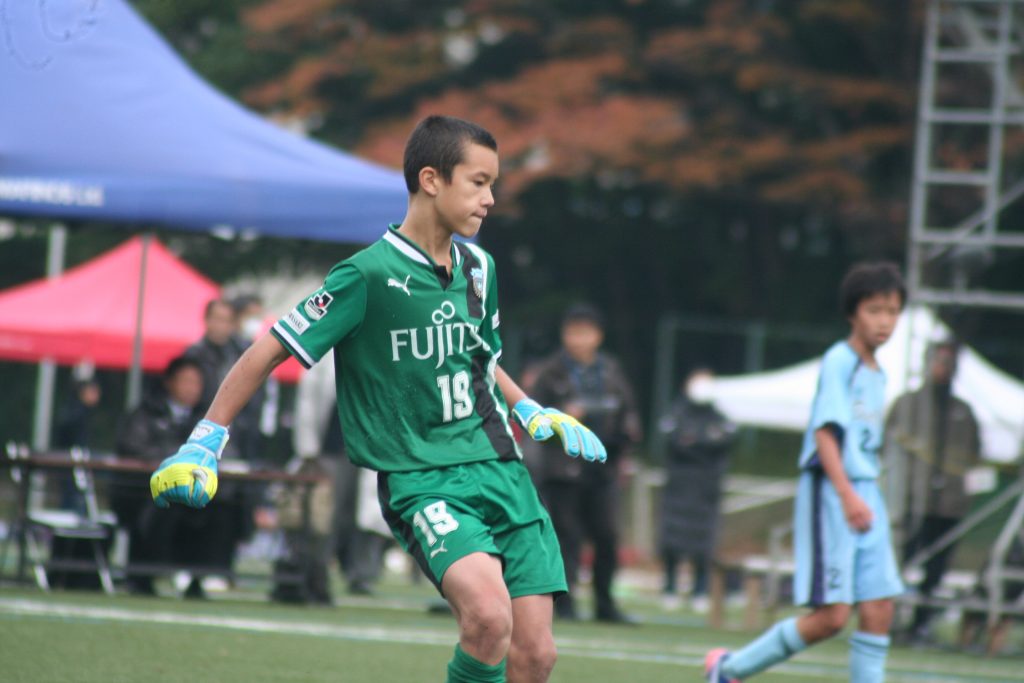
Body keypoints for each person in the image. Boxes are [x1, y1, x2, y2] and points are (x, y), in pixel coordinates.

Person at [150, 115, 607, 683]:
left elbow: (480, 360)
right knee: (488, 620)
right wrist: (205, 440)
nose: (491, 199)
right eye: (479, 182)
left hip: (501, 471)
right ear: (432, 179)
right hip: (424, 480)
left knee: (537, 656)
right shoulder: (366, 275)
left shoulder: (480, 269)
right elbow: (269, 348)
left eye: (494, 184)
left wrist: (529, 407)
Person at [705, 261, 906, 683]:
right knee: (832, 617)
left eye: (892, 311)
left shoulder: (879, 372)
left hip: (867, 492)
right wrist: (848, 494)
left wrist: (864, 492)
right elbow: (824, 435)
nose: (884, 321)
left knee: (880, 607)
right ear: (852, 313)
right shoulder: (840, 360)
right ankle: (729, 669)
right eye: (874, 310)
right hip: (835, 494)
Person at [527, 303, 642, 623]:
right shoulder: (549, 373)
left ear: (598, 336)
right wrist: (562, 418)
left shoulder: (611, 372)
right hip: (562, 469)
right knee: (566, 536)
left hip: (602, 468)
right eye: (573, 332)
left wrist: (622, 445)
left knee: (607, 536)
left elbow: (628, 415)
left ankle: (605, 604)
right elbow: (531, 419)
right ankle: (564, 604)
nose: (579, 339)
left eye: (585, 332)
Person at [885, 340, 982, 643]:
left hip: (948, 507)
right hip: (910, 501)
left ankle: (920, 624)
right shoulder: (907, 405)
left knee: (936, 571)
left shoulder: (963, 412)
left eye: (949, 362)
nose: (944, 368)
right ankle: (888, 620)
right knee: (897, 564)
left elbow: (972, 456)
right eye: (939, 361)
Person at [113, 356, 207, 595]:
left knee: (220, 508)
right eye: (185, 381)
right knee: (164, 507)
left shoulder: (207, 418)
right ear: (170, 383)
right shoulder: (146, 412)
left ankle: (199, 578)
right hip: (143, 490)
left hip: (193, 491)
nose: (190, 388)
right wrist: (179, 460)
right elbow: (133, 446)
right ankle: (144, 575)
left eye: (196, 383)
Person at [657, 368, 737, 612]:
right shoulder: (676, 412)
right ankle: (669, 587)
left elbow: (724, 440)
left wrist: (695, 441)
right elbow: (673, 440)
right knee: (671, 539)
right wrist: (702, 443)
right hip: (678, 487)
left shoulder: (721, 417)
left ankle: (700, 590)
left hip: (707, 490)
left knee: (704, 543)